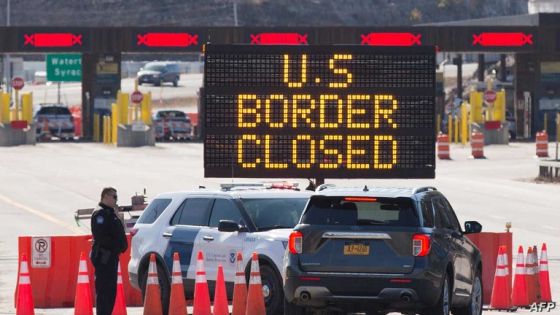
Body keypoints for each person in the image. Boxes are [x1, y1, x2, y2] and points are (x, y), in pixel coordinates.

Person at [90, 187, 128, 315]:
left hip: (111, 257)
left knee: (111, 291)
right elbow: (101, 236)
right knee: (104, 292)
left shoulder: (109, 212)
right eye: (114, 197)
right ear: (105, 196)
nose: (116, 200)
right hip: (104, 258)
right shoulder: (100, 214)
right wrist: (117, 246)